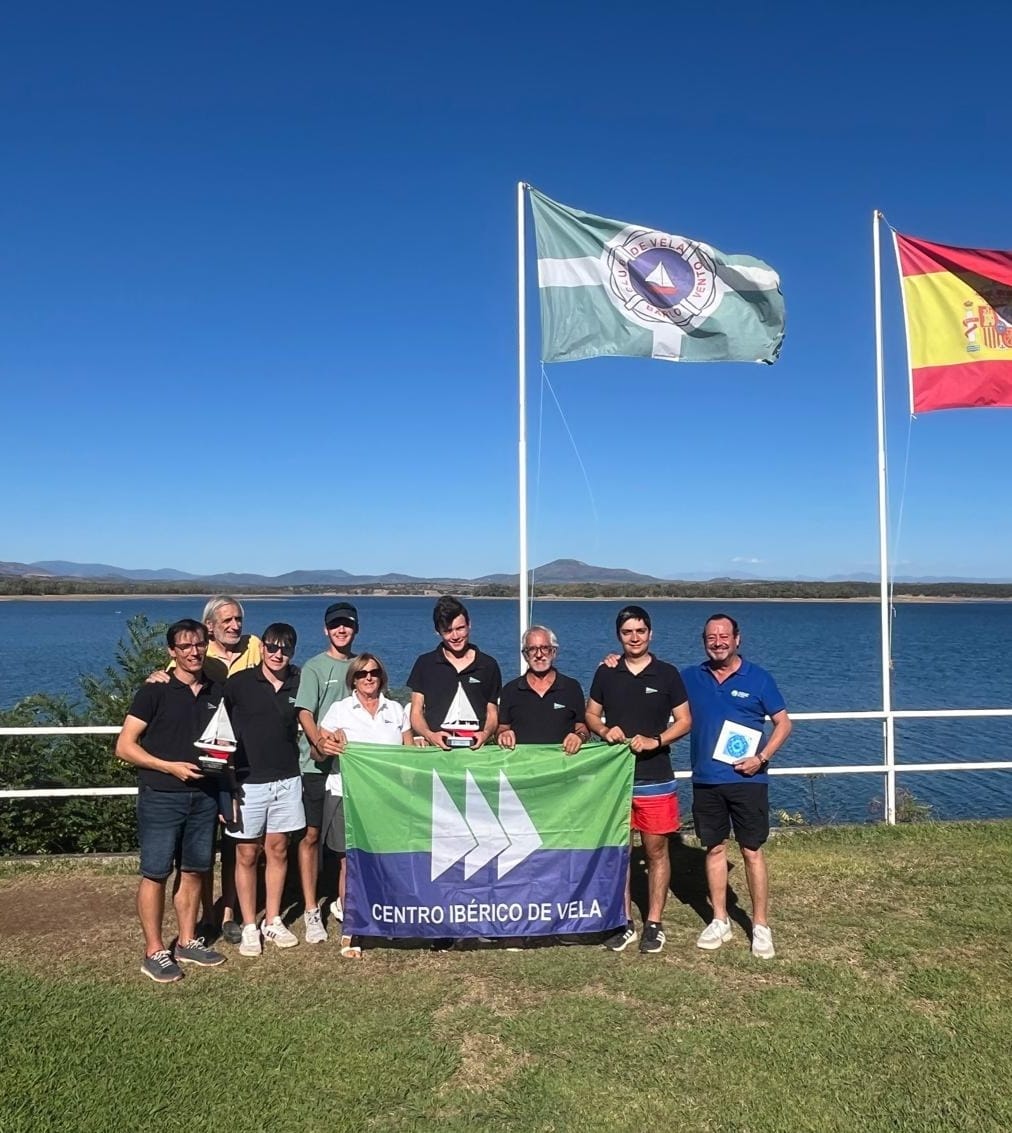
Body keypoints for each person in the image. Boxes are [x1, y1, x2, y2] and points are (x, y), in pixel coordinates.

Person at [115, 618, 227, 982]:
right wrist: (168, 768)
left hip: (204, 796)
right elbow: (125, 747)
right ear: (171, 653)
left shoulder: (216, 690)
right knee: (156, 873)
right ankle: (154, 950)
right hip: (162, 795)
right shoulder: (154, 691)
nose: (193, 652)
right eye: (184, 647)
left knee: (195, 870)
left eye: (198, 645)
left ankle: (188, 941)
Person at [147, 595, 263, 944]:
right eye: (226, 620)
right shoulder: (198, 653)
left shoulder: (255, 646)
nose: (234, 625)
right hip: (205, 762)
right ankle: (207, 915)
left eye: (238, 619)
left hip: (240, 759)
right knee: (200, 848)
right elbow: (173, 682)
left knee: (236, 842)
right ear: (209, 626)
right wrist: (155, 676)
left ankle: (227, 912)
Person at [680, 614, 792, 960]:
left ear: (737, 639)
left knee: (751, 851)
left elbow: (783, 723)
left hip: (748, 781)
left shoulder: (758, 679)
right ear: (704, 641)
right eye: (711, 637)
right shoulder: (689, 678)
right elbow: (652, 682)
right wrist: (613, 661)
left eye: (724, 636)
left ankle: (760, 926)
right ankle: (720, 920)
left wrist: (761, 758)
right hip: (706, 780)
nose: (718, 642)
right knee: (713, 849)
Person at [586, 605, 691, 954]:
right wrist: (603, 729)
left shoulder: (667, 674)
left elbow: (685, 720)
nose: (634, 637)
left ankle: (654, 923)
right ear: (619, 636)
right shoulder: (606, 672)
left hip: (656, 776)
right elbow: (590, 714)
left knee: (656, 849)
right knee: (620, 852)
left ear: (650, 633)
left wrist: (656, 740)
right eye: (628, 632)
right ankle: (624, 921)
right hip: (615, 778)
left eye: (640, 631)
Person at [317, 653, 412, 958]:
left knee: (386, 860)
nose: (368, 678)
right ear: (353, 679)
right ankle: (352, 929)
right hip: (346, 795)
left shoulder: (396, 710)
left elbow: (409, 754)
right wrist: (329, 743)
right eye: (361, 674)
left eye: (373, 672)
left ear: (381, 676)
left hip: (386, 799)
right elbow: (321, 749)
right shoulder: (339, 710)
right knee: (350, 862)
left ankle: (388, 919)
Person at [224, 623, 306, 957]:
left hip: (288, 778)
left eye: (285, 648)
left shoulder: (300, 681)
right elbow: (216, 726)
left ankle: (272, 919)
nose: (277, 654)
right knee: (246, 853)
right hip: (248, 780)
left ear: (293, 651)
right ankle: (248, 925)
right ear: (261, 648)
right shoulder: (238, 684)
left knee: (278, 849)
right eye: (272, 647)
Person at [293, 601, 359, 944]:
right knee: (312, 836)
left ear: (355, 628)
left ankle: (345, 901)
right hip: (317, 766)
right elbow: (304, 712)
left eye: (347, 624)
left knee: (352, 842)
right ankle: (310, 909)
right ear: (326, 629)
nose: (341, 630)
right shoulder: (315, 667)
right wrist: (319, 740)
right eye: (335, 625)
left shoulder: (363, 666)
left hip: (355, 771)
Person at [408, 596, 501, 751]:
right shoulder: (424, 664)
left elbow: (492, 712)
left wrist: (485, 734)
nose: (456, 636)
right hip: (436, 753)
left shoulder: (488, 665)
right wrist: (430, 735)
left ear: (469, 625)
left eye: (460, 628)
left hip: (476, 754)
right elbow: (416, 712)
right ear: (438, 631)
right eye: (448, 631)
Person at [497, 626, 589, 752]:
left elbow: (582, 727)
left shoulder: (572, 687)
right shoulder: (510, 690)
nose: (539, 655)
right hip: (521, 766)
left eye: (545, 648)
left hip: (563, 764)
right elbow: (502, 727)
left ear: (554, 652)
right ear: (525, 655)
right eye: (532, 649)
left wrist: (579, 737)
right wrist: (504, 734)